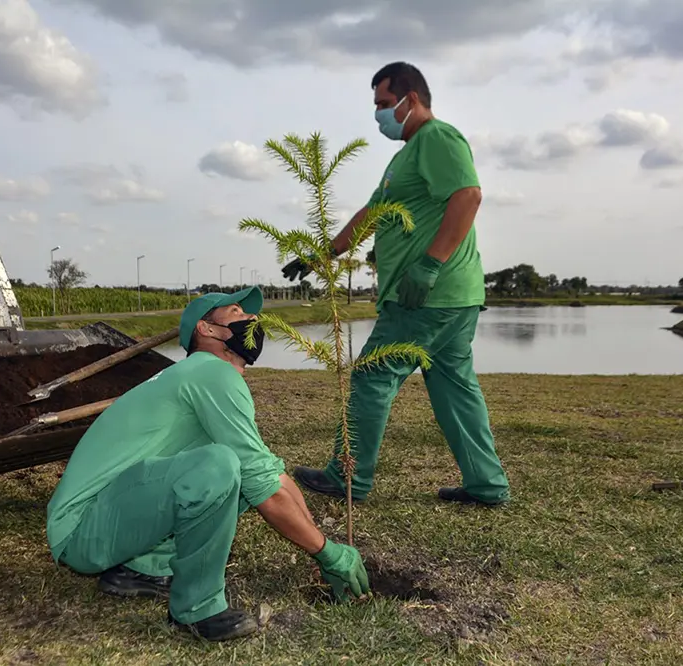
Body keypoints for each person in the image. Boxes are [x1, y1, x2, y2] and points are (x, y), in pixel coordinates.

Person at [44, 286, 370, 642]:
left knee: (236, 475)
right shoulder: (212, 374)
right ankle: (196, 609)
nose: (252, 319)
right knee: (219, 467)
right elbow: (262, 487)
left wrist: (322, 546)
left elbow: (269, 473)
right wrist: (326, 552)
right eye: (236, 313)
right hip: (83, 531)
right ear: (207, 329)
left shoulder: (203, 374)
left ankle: (143, 569)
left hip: (108, 518)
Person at [284, 61, 512, 507]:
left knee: (371, 375)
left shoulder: (438, 137)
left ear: (411, 99)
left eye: (385, 104)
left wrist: (430, 263)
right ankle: (487, 485)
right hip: (451, 299)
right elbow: (371, 215)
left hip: (425, 295)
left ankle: (348, 477)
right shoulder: (404, 156)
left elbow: (468, 195)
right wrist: (321, 256)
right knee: (454, 387)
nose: (379, 115)